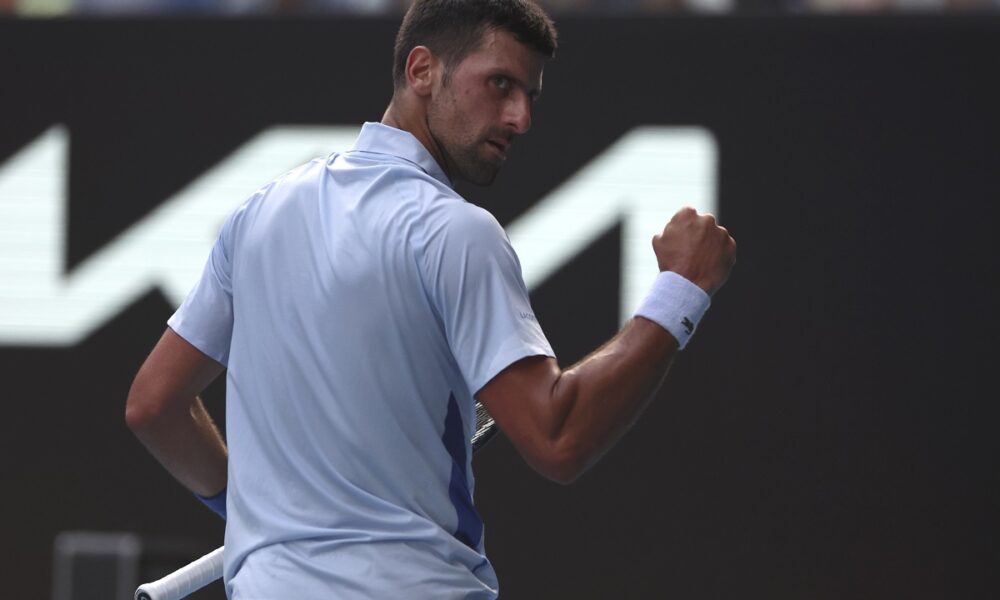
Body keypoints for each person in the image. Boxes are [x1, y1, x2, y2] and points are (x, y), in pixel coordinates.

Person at [125, 0, 736, 597]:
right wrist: (679, 292)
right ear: (422, 70)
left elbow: (155, 406)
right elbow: (559, 439)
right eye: (500, 84)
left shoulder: (257, 215)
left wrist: (262, 516)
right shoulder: (456, 232)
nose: (520, 116)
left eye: (529, 95)